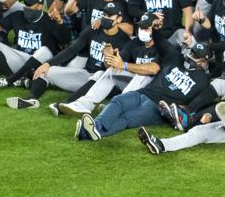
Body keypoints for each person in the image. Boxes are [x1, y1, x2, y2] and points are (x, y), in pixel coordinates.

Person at [76, 42, 212, 141]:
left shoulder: (204, 82)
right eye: (192, 52)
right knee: (118, 101)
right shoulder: (177, 59)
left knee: (127, 118)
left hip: (158, 107)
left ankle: (89, 132)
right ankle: (95, 127)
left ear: (203, 61)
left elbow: (195, 105)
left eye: (196, 55)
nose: (191, 55)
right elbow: (163, 44)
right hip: (144, 93)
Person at [7, 2, 131, 110]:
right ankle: (31, 99)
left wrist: (108, 57)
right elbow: (72, 49)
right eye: (104, 14)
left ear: (119, 19)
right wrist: (48, 63)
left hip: (102, 84)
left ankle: (65, 104)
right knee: (46, 71)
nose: (105, 18)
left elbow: (114, 72)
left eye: (110, 15)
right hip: (86, 75)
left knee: (99, 74)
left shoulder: (124, 41)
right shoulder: (93, 30)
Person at [57, 13, 167, 117]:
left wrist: (124, 65)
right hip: (136, 87)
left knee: (142, 75)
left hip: (155, 91)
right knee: (110, 72)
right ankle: (84, 104)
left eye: (146, 28)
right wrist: (109, 57)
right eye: (141, 27)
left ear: (156, 30)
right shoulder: (134, 43)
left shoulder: (163, 46)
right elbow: (113, 66)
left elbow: (153, 69)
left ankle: (116, 107)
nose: (142, 31)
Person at [0, 0, 69, 89]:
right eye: (26, 4)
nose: (26, 7)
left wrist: (60, 22)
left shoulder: (49, 20)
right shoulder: (17, 16)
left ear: (39, 6)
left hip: (41, 64)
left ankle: (11, 80)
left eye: (30, 5)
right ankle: (16, 80)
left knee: (44, 51)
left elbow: (65, 41)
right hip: (21, 60)